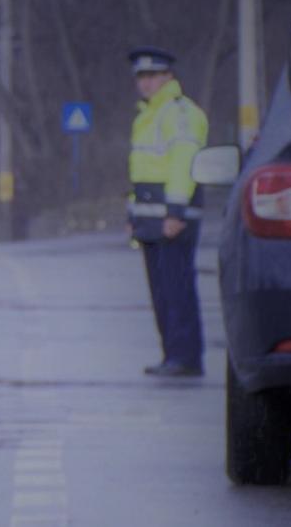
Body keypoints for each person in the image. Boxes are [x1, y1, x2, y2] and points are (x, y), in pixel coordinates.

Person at [126, 46, 209, 378]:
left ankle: (186, 357)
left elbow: (183, 164)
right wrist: (132, 216)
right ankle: (172, 354)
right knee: (161, 293)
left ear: (169, 76)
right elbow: (141, 172)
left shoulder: (180, 113)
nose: (145, 83)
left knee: (177, 289)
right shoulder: (146, 115)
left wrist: (175, 213)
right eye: (141, 77)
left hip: (173, 219)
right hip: (150, 219)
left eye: (152, 76)